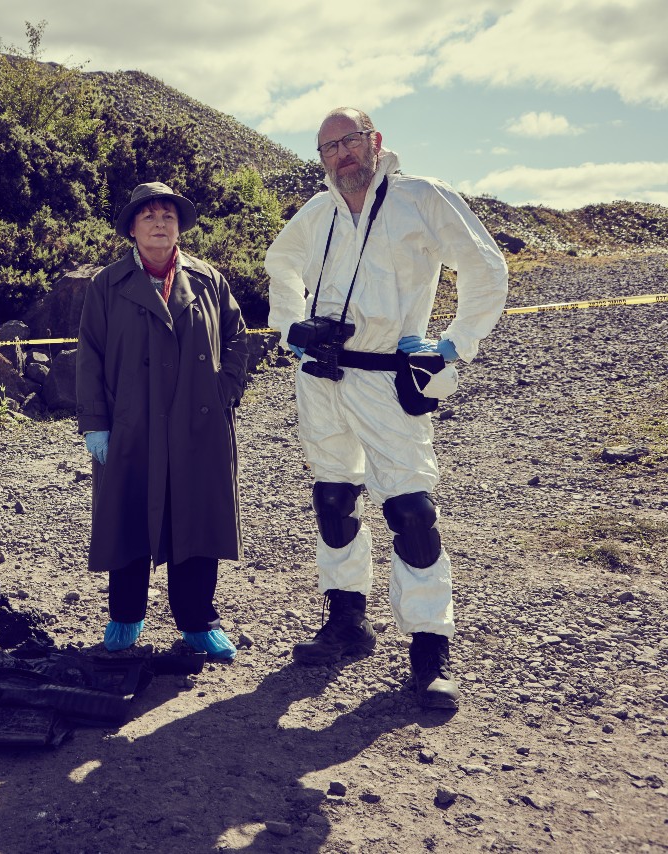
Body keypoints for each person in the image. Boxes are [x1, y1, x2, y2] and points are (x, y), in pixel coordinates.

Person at [264, 107, 508, 709]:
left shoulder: (420, 199)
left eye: (349, 141)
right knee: (333, 498)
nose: (341, 155)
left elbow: (484, 265)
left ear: (375, 141)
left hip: (387, 380)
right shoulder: (318, 212)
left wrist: (454, 345)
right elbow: (279, 263)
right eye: (328, 148)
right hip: (320, 379)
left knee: (411, 510)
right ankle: (347, 621)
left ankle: (430, 649)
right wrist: (294, 327)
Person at [76, 182, 249, 660]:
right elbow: (88, 355)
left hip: (199, 424)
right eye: (148, 215)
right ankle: (125, 617)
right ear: (132, 228)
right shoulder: (105, 285)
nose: (159, 223)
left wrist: (225, 389)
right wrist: (96, 422)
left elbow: (237, 338)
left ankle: (198, 622)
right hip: (132, 425)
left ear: (179, 227)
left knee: (195, 520)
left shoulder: (210, 279)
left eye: (167, 216)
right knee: (128, 516)